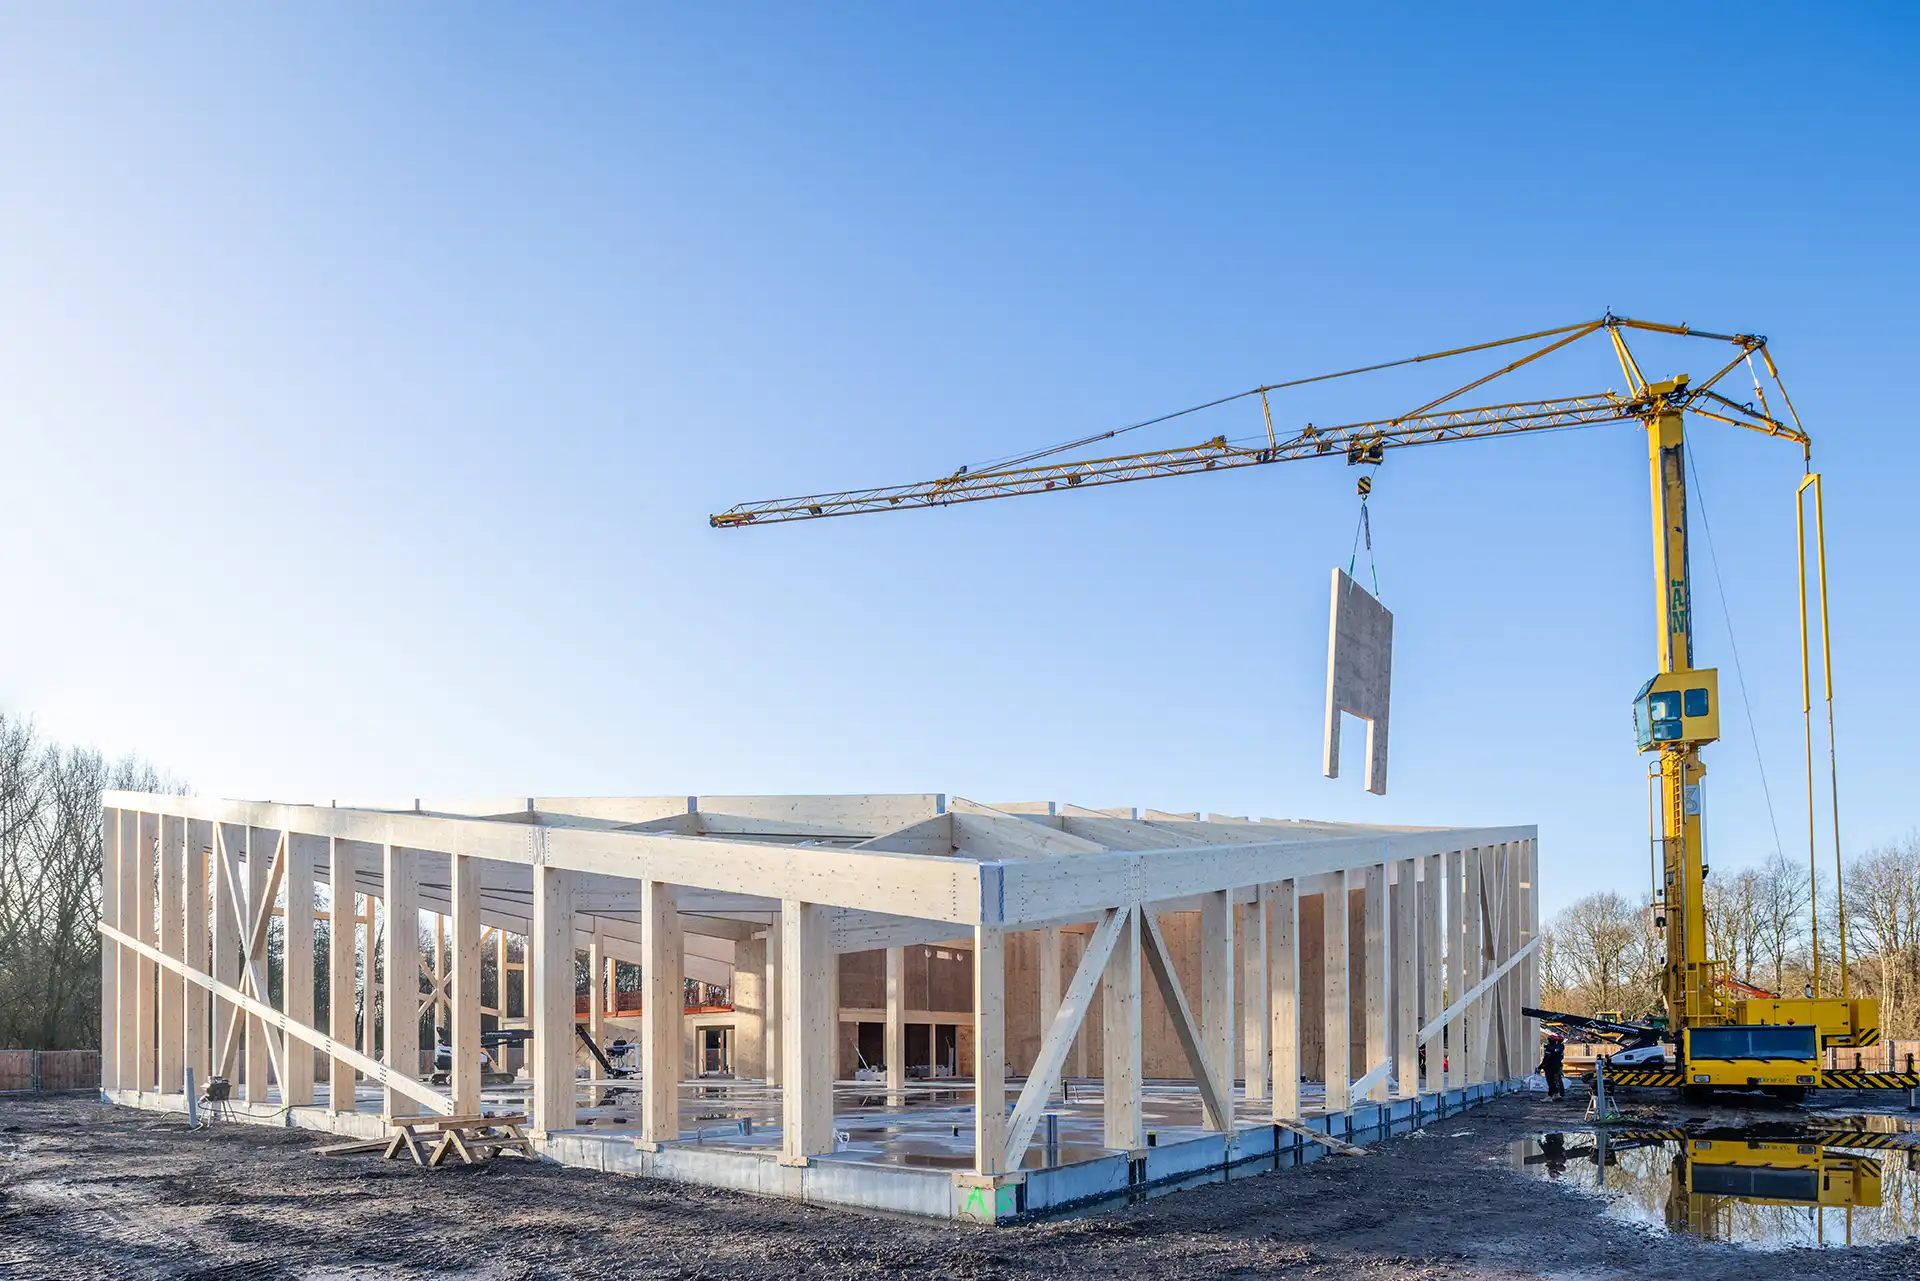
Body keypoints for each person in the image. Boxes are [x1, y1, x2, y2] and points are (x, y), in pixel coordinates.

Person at [1538, 1032, 1566, 1100]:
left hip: (1550, 1067)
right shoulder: (1560, 1047)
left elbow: (1546, 1059)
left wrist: (1540, 1067)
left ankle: (1550, 1095)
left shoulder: (1550, 1048)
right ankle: (1558, 1094)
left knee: (1551, 1081)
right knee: (1557, 1080)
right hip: (1557, 1066)